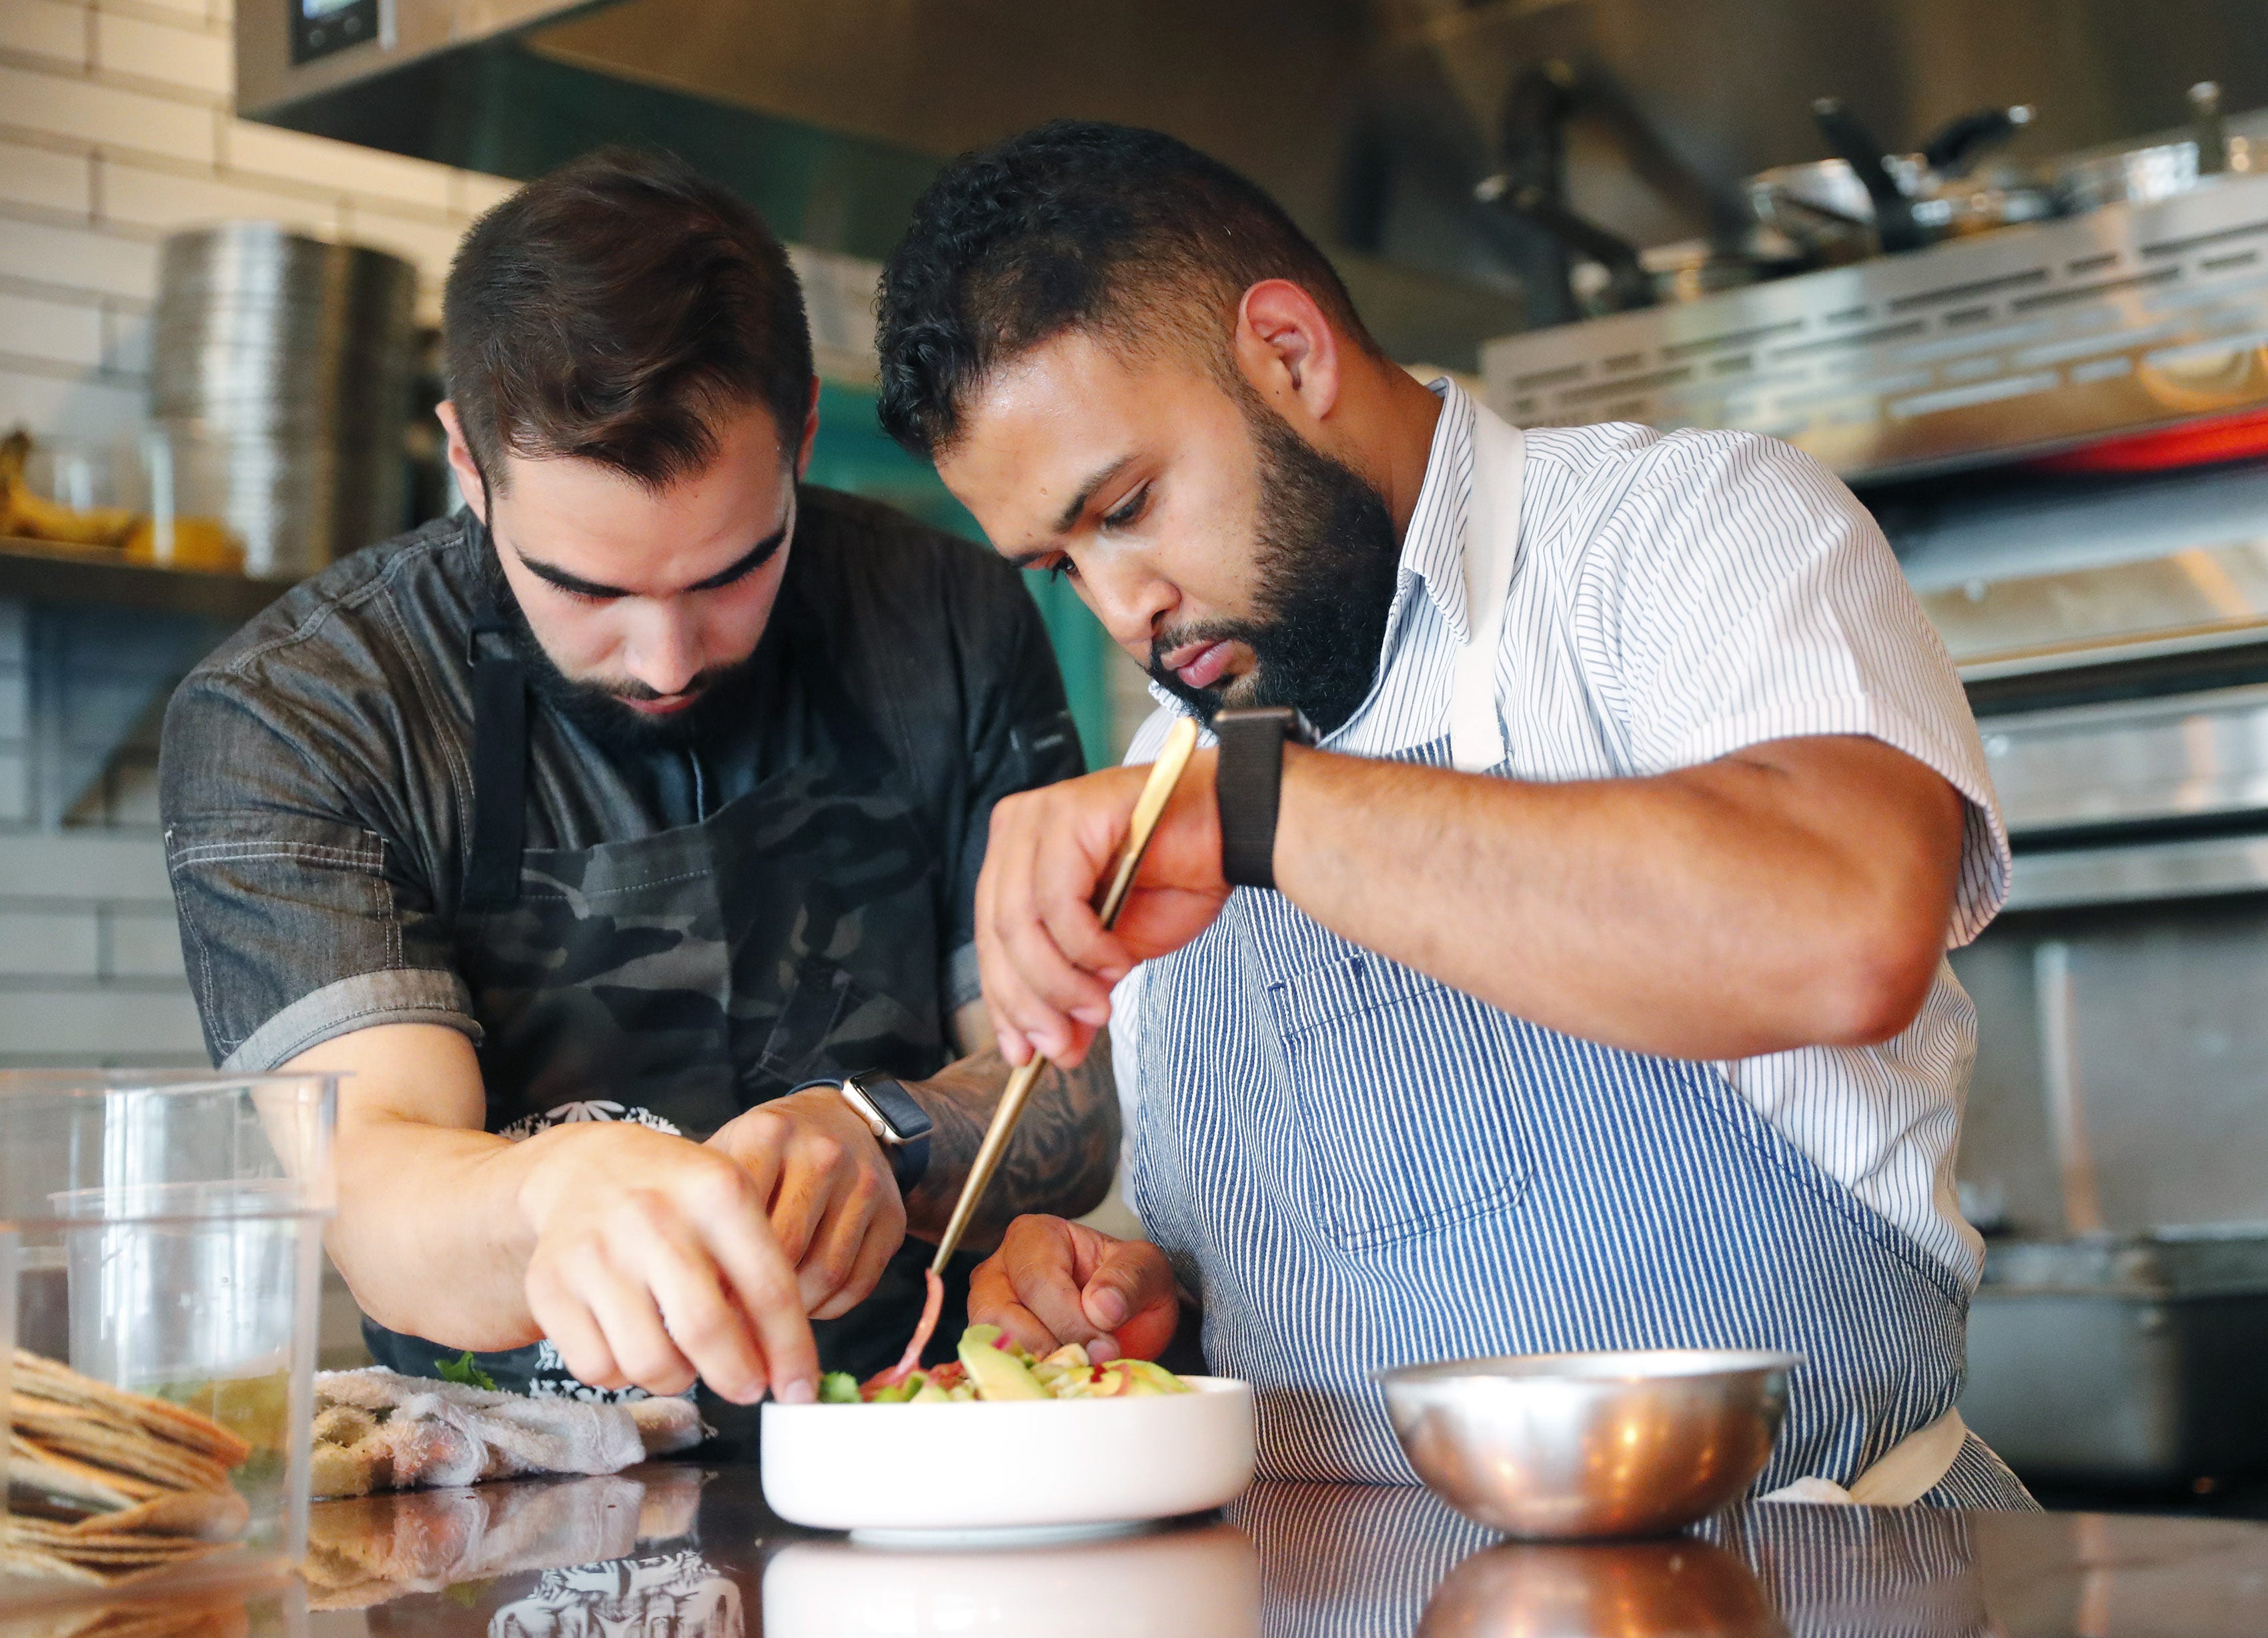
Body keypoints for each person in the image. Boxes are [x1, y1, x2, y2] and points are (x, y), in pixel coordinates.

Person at [871, 120, 2035, 1506]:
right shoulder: (1175, 753)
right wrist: (1129, 1288)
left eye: (1125, 508)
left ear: (1289, 354)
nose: (1123, 609)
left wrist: (1258, 810)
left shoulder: (1681, 534)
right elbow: (1281, 1271)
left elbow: (1844, 929)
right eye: (1061, 566)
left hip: (1799, 1573)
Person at [158, 149, 1117, 1419]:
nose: (667, 659)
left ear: (802, 440)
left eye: (732, 570)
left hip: (908, 1438)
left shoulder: (947, 622)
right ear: (468, 463)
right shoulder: (304, 710)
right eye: (586, 587)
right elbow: (376, 1197)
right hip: (513, 1484)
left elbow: (1074, 1093)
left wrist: (886, 1133)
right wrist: (556, 1191)